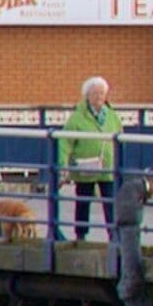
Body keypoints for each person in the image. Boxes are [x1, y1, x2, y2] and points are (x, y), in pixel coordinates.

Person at [57, 77, 120, 239]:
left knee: (111, 202)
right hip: (86, 167)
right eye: (95, 93)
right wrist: (62, 164)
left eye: (102, 93)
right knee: (83, 201)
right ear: (87, 96)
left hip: (107, 167)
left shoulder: (112, 115)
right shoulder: (77, 117)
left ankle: (114, 235)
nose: (99, 97)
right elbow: (65, 141)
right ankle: (81, 234)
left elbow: (120, 137)